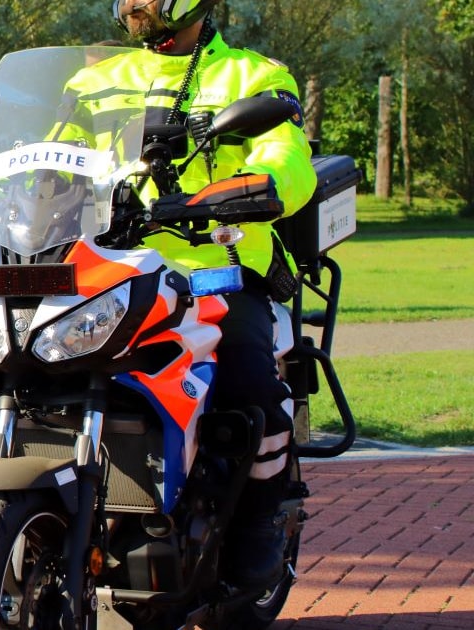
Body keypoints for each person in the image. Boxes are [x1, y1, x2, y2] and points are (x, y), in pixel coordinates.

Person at [60, 0, 317, 591]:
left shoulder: (253, 77)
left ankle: (260, 525)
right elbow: (45, 165)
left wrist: (252, 190)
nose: (134, 4)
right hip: (111, 268)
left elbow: (287, 161)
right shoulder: (92, 81)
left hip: (216, 269)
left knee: (251, 386)